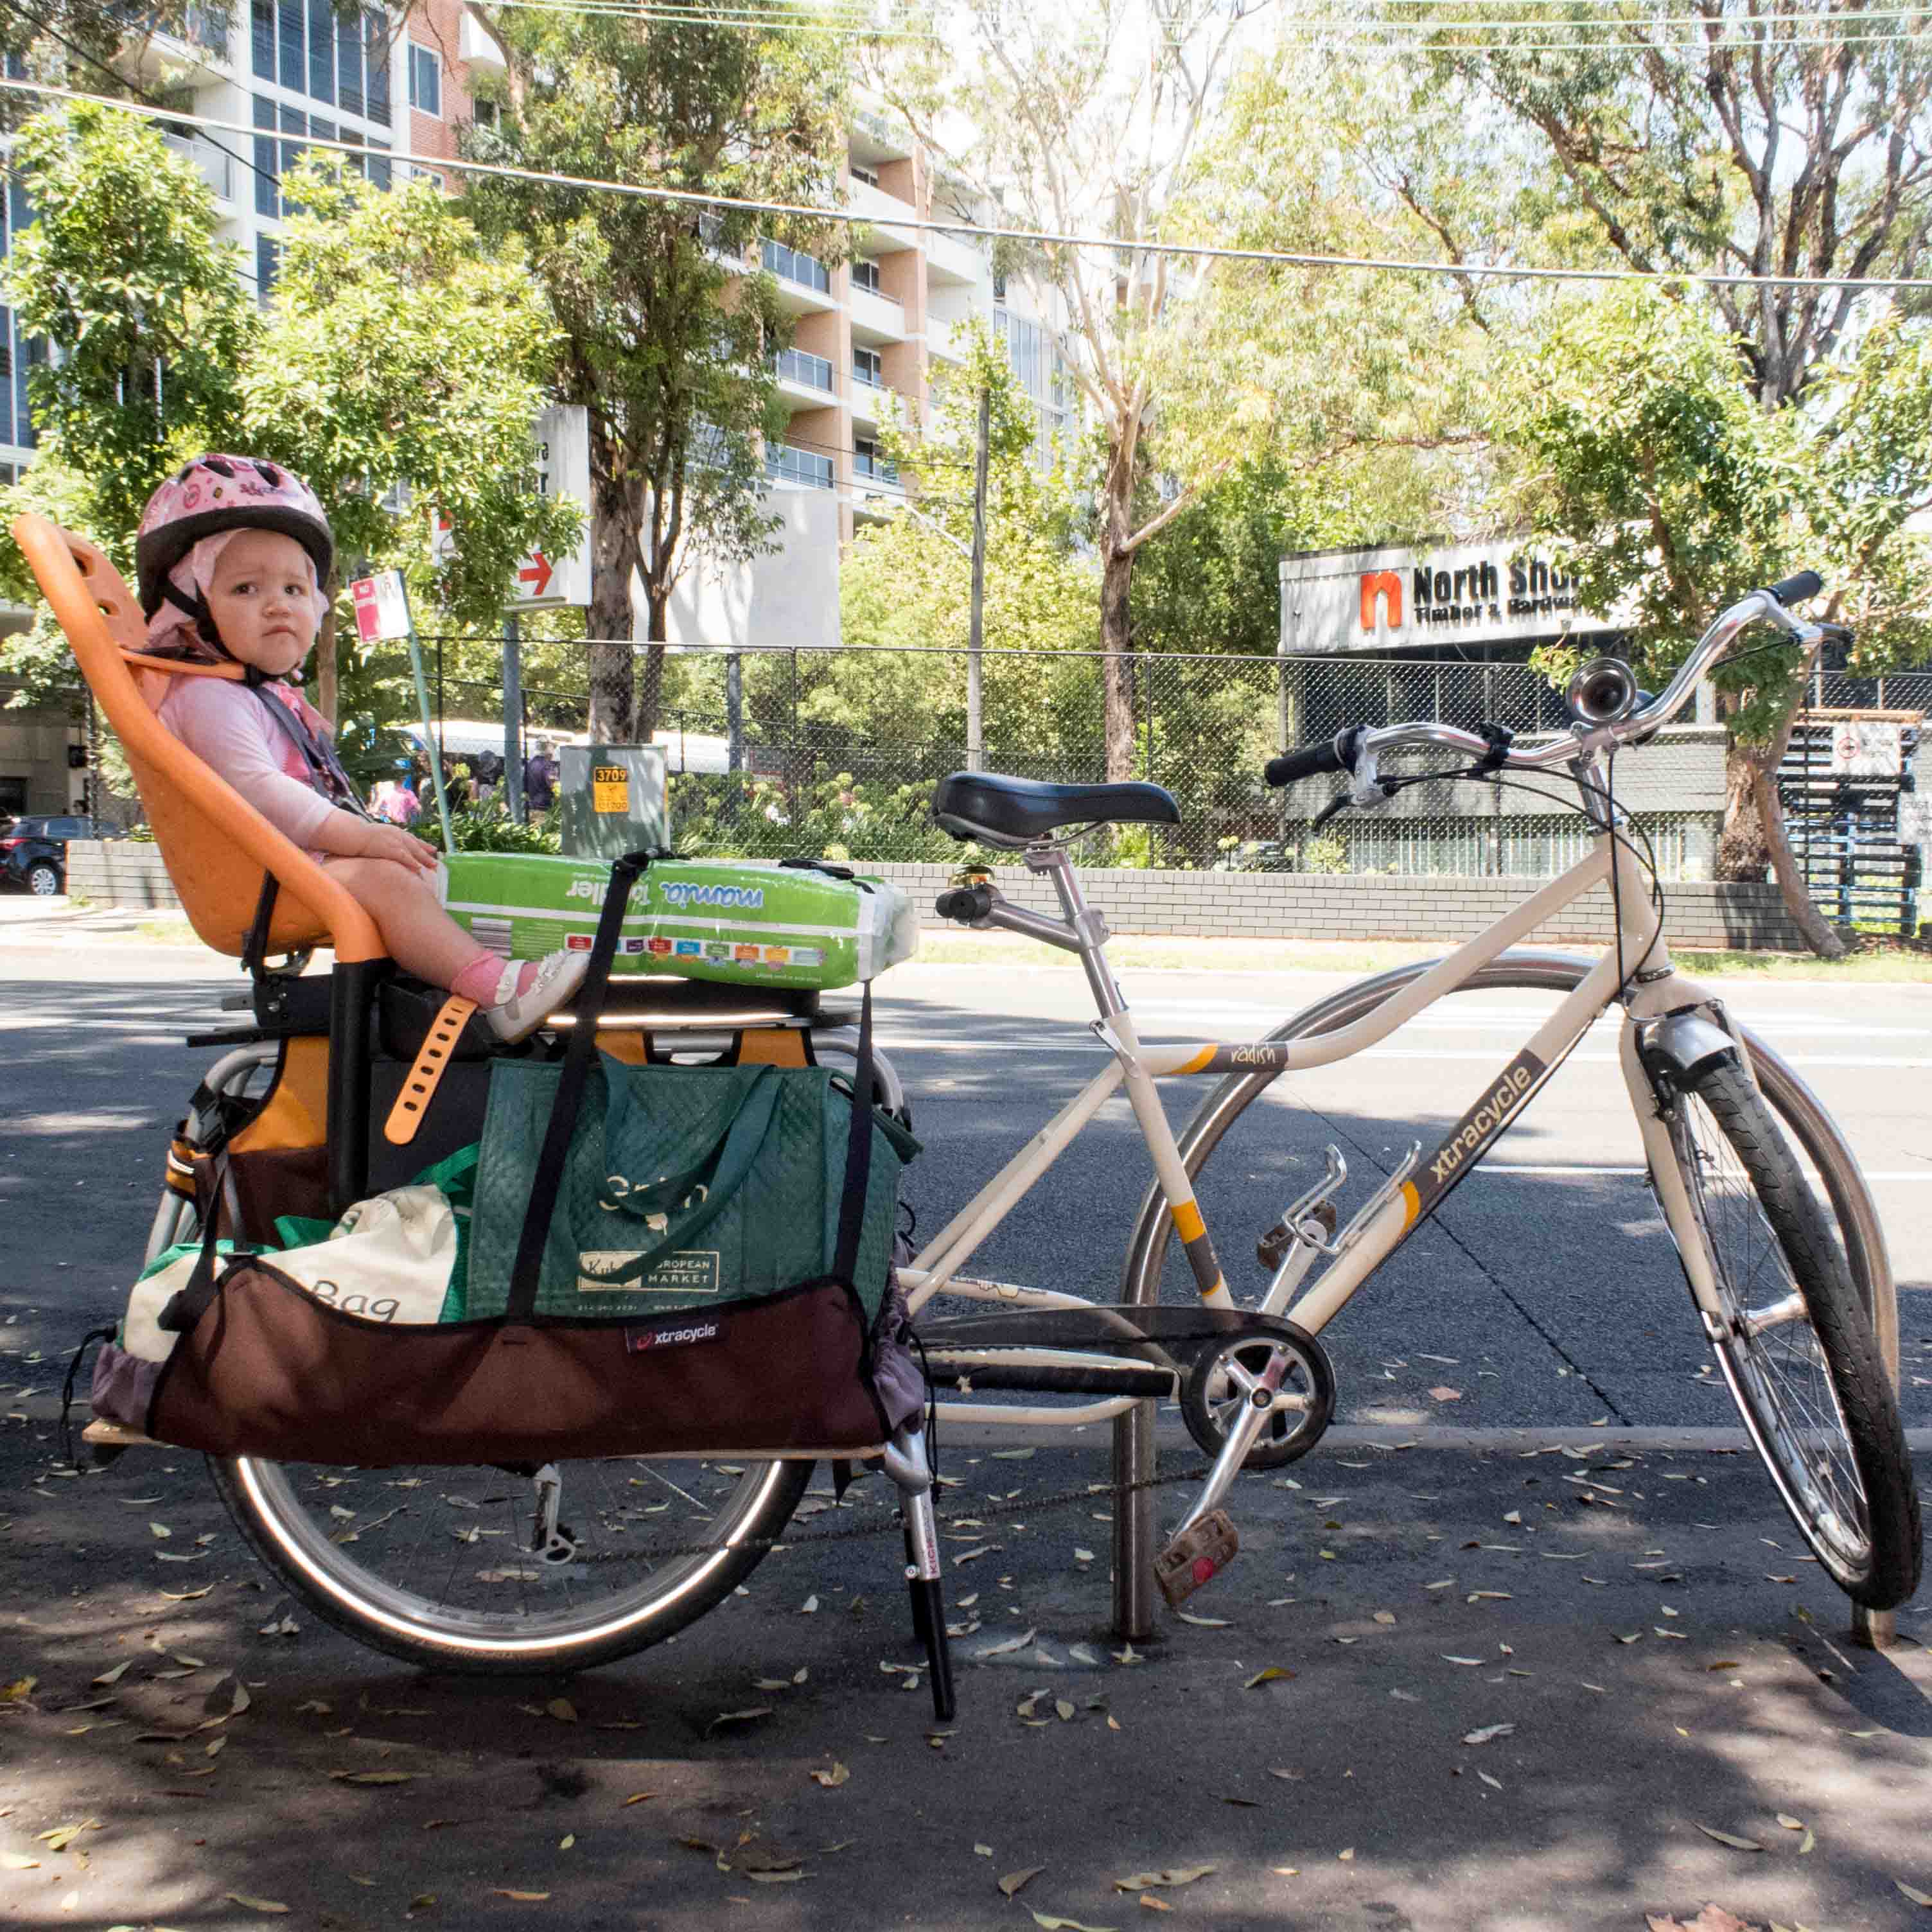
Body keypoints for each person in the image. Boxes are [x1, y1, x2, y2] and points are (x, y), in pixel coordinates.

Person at [136, 454, 589, 1041]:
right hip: (265, 881)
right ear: (192, 605)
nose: (277, 604)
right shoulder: (207, 698)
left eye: (295, 588)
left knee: (420, 872)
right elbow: (260, 791)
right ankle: (497, 990)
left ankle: (459, 987)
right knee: (387, 879)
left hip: (290, 867)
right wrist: (363, 835)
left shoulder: (253, 694)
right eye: (245, 588)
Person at [523, 739, 558, 815]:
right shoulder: (547, 766)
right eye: (553, 748)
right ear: (547, 750)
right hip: (545, 808)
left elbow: (524, 787)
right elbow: (554, 787)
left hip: (532, 806)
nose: (553, 753)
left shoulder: (530, 764)